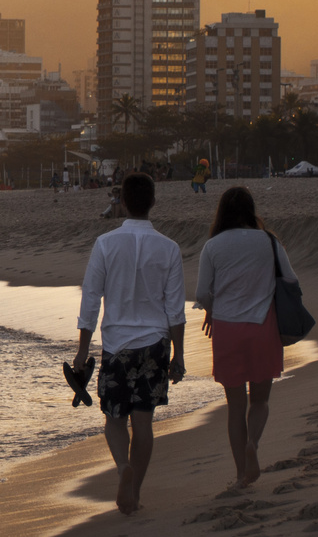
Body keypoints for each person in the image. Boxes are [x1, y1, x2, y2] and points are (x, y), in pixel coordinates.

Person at [73, 172, 187, 516]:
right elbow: (175, 309)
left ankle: (123, 468)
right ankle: (134, 493)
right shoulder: (169, 248)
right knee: (143, 422)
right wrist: (179, 354)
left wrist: (82, 349)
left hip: (116, 345)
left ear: (121, 201)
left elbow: (91, 299)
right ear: (152, 202)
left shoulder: (106, 244)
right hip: (154, 344)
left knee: (113, 418)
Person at [194, 186, 293, 488]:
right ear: (251, 210)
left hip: (226, 330)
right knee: (259, 401)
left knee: (235, 407)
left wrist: (215, 308)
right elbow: (291, 279)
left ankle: (240, 475)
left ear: (222, 212)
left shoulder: (213, 246)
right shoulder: (269, 241)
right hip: (263, 327)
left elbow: (201, 294)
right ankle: (254, 443)